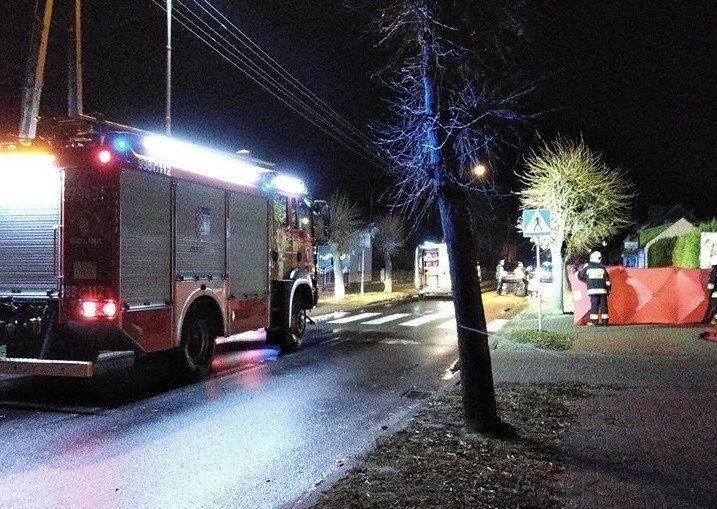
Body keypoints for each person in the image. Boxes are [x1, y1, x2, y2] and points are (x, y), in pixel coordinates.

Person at [577, 250, 611, 326]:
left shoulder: (588, 267)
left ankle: (594, 322)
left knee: (594, 306)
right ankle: (605, 322)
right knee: (604, 306)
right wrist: (609, 289)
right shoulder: (602, 268)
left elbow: (580, 276)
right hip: (603, 291)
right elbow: (607, 280)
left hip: (593, 291)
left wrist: (575, 272)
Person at [705, 256, 717, 325]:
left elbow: (712, 282)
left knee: (714, 305)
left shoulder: (715, 270)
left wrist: (709, 290)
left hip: (715, 294)